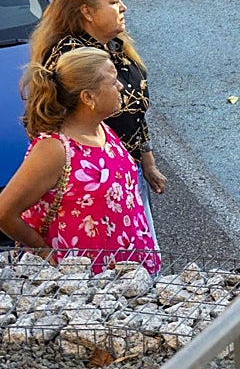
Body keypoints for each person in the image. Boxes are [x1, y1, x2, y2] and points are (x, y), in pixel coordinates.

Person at [29, 0, 167, 240]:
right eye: (114, 2)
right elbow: (55, 124)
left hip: (125, 167)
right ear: (87, 12)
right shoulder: (72, 59)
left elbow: (135, 110)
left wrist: (147, 161)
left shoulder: (115, 46)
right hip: (97, 179)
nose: (124, 7)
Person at [0, 47, 159, 273]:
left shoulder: (102, 128)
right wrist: (46, 253)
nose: (121, 87)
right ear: (88, 97)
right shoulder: (54, 149)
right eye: (113, 82)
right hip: (91, 289)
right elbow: (4, 212)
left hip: (131, 278)